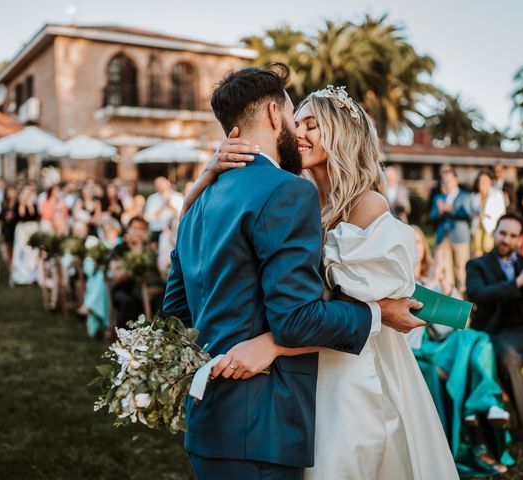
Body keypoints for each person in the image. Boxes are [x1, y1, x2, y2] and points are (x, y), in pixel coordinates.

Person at [164, 65, 450, 480]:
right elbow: (302, 315)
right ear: (275, 116)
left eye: (312, 125)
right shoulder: (289, 194)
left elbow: (178, 312)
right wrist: (377, 313)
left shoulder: (359, 205)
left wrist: (273, 345)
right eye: (296, 120)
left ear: (342, 135)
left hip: (334, 378)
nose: (299, 133)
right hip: (277, 399)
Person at [409, 225, 514, 476]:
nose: (414, 247)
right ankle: (483, 405)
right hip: (423, 344)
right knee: (474, 340)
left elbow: (460, 321)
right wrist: (433, 283)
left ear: (425, 249)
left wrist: (447, 288)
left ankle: (481, 408)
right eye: (408, 242)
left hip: (447, 340)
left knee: (478, 339)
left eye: (418, 242)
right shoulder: (401, 282)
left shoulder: (437, 279)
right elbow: (424, 324)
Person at [466, 212, 523, 456]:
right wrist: (515, 284)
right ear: (495, 233)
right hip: (504, 335)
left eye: (513, 236)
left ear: (519, 239)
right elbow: (478, 294)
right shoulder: (477, 265)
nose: (506, 239)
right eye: (503, 233)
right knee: (506, 359)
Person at [430, 167, 476, 294]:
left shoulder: (464, 196)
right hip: (442, 237)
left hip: (460, 237)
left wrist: (452, 209)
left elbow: (468, 214)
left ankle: (464, 297)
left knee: (461, 269)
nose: (446, 183)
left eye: (449, 180)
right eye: (444, 181)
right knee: (445, 271)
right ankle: (449, 297)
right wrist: (438, 212)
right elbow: (431, 216)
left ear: (456, 180)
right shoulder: (438, 197)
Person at [81, 216, 122, 338]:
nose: (107, 231)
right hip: (98, 277)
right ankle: (95, 312)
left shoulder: (120, 244)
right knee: (100, 278)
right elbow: (88, 265)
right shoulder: (100, 245)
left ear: (116, 230)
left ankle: (89, 306)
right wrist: (94, 267)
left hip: (114, 276)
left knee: (104, 279)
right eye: (105, 229)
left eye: (110, 229)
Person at [110, 216, 151, 327]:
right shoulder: (119, 249)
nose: (138, 232)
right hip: (123, 290)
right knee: (128, 302)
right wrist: (136, 253)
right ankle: (127, 339)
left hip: (147, 291)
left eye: (142, 229)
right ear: (128, 229)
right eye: (135, 228)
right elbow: (117, 277)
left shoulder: (150, 249)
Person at [472, 170, 506, 257]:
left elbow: (501, 212)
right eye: (480, 181)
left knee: (489, 253)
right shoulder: (475, 196)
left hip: (490, 228)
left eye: (484, 181)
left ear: (490, 182)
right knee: (477, 253)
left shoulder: (497, 194)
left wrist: (486, 215)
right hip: (477, 228)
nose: (482, 183)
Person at [11, 185, 39, 285]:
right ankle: (19, 277)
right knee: (20, 251)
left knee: (31, 252)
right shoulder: (18, 204)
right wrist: (23, 203)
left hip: (31, 229)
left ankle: (31, 276)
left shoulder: (34, 203)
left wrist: (30, 205)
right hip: (22, 230)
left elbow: (34, 215)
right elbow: (21, 216)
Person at [145, 176, 183, 243]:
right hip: (157, 230)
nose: (161, 186)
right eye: (158, 184)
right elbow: (149, 217)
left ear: (168, 183)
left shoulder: (178, 197)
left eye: (162, 183)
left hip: (175, 231)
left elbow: (181, 214)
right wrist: (163, 206)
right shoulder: (152, 199)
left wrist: (170, 206)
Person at [0, 185, 18, 283]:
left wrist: (13, 216)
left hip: (16, 230)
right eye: (9, 191)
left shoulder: (18, 203)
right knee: (8, 254)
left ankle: (16, 273)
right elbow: (1, 216)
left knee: (15, 253)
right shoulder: (4, 204)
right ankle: (11, 274)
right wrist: (6, 217)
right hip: (7, 231)